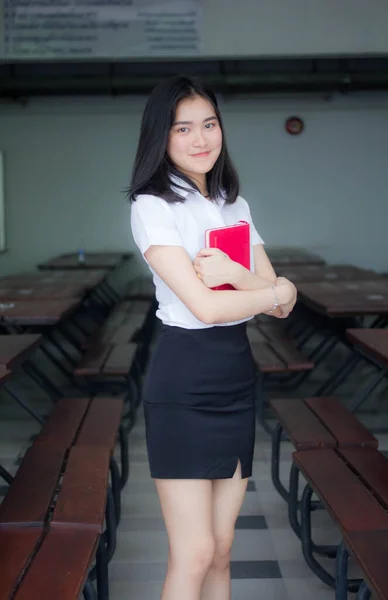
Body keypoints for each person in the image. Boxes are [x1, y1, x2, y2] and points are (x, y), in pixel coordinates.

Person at [128, 75, 297, 600]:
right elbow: (206, 306)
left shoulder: (234, 206)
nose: (201, 139)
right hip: (183, 382)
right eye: (184, 128)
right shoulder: (152, 207)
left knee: (223, 549)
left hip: (235, 377)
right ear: (162, 136)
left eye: (209, 124)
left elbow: (284, 303)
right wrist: (270, 289)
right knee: (195, 552)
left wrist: (237, 273)